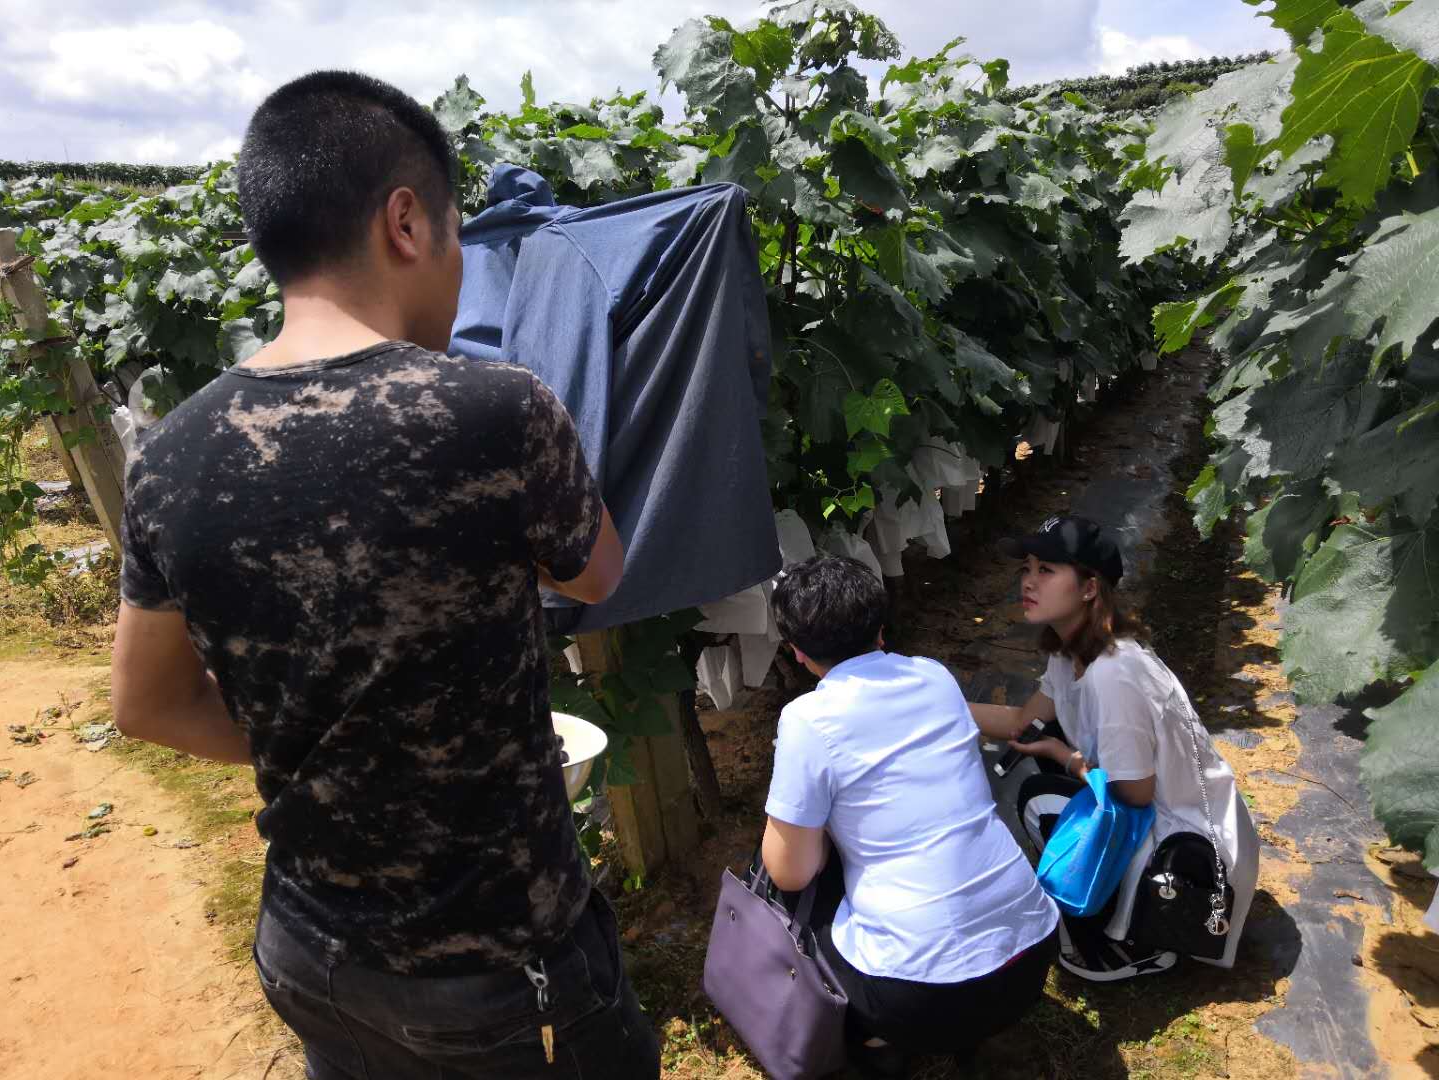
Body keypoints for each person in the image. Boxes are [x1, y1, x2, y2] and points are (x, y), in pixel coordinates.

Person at [109, 71, 659, 1079]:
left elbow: (145, 704)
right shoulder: (495, 410)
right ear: (406, 222)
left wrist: (321, 745)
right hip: (495, 971)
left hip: (310, 950)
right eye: (458, 238)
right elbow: (598, 576)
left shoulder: (168, 458)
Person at [761, 555, 1059, 1079]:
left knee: (792, 873)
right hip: (1031, 960)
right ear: (881, 629)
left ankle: (876, 1038)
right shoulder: (932, 676)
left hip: (920, 1001)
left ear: (797, 651)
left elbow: (790, 872)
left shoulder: (807, 719)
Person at [970, 515, 1260, 982]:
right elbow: (1022, 722)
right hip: (1176, 813)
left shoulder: (1112, 674)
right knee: (1053, 764)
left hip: (1189, 853)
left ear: (1090, 588)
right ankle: (1117, 911)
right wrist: (932, 699)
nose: (1028, 581)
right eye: (1026, 568)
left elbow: (1136, 793)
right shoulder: (1072, 653)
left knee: (1040, 799)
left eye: (1047, 570)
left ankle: (1128, 942)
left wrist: (1064, 757)